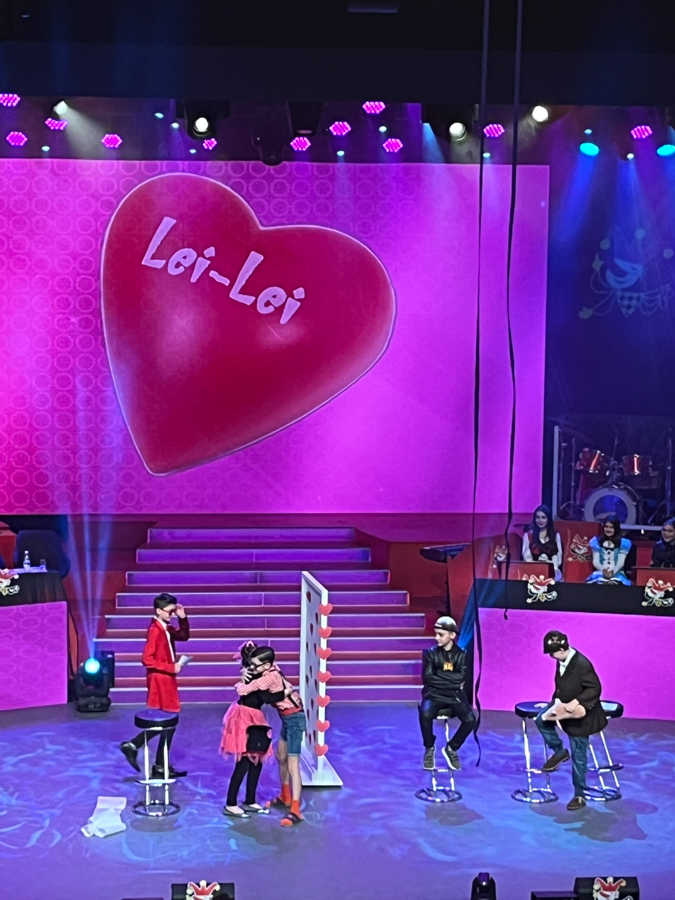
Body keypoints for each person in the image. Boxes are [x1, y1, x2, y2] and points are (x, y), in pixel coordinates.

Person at [119, 592, 190, 778]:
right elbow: (147, 659)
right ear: (159, 611)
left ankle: (157, 762)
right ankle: (137, 747)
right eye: (170, 611)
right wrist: (171, 667)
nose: (172, 614)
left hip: (166, 678)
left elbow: (184, 636)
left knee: (169, 720)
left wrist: (183, 618)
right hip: (160, 679)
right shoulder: (155, 630)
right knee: (168, 720)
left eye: (173, 611)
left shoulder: (166, 627)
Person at [536, 630, 607, 811]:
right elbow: (562, 686)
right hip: (562, 704)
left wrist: (576, 702)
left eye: (552, 652)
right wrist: (555, 704)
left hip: (581, 713)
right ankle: (560, 752)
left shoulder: (582, 664)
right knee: (541, 720)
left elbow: (595, 688)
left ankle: (579, 794)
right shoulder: (561, 660)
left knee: (579, 755)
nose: (551, 656)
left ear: (562, 649)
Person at [220, 642, 285, 818]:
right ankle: (231, 804)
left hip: (255, 717)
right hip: (244, 719)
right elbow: (252, 692)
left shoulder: (269, 675)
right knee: (244, 762)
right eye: (251, 663)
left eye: (256, 664)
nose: (252, 667)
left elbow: (271, 694)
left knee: (257, 760)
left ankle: (250, 800)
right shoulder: (254, 675)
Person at [419, 616, 476, 771]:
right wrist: (451, 679)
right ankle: (429, 748)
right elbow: (428, 678)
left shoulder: (461, 654)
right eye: (436, 634)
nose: (436, 638)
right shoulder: (430, 653)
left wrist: (439, 675)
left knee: (470, 720)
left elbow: (461, 678)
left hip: (454, 694)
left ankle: (452, 748)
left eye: (440, 634)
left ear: (451, 635)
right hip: (434, 693)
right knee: (425, 714)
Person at [265, 663, 307, 827]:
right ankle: (285, 796)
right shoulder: (266, 673)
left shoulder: (270, 676)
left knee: (292, 765)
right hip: (286, 719)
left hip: (295, 719)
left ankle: (296, 810)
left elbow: (263, 695)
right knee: (281, 756)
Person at [522, 504, 564, 581]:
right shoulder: (528, 536)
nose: (540, 520)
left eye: (543, 517)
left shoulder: (555, 536)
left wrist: (550, 566)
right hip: (533, 573)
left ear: (548, 519)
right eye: (537, 517)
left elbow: (558, 559)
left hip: (552, 573)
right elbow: (526, 559)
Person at [586, 516, 631, 585]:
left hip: (617, 573)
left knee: (614, 583)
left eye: (611, 527)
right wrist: (603, 571)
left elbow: (620, 562)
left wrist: (612, 572)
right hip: (601, 572)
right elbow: (596, 561)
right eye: (606, 527)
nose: (608, 529)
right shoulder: (596, 541)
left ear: (616, 528)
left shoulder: (623, 543)